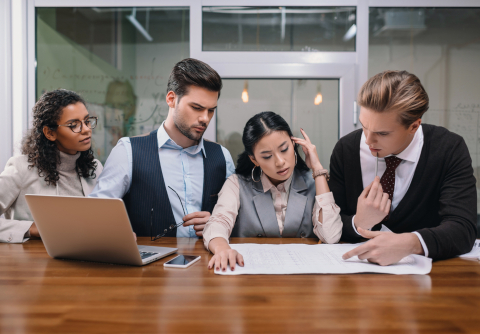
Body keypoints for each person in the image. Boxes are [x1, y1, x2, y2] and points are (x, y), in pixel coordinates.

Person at [330, 70, 477, 265]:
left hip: (432, 280)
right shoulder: (346, 149)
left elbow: (463, 228)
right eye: (364, 126)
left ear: (414, 126)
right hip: (356, 275)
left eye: (382, 133)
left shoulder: (449, 149)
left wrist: (409, 243)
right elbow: (331, 223)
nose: (368, 140)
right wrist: (359, 223)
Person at [90, 58, 234, 238]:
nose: (205, 118)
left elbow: (238, 217)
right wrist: (117, 233)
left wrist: (218, 223)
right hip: (149, 265)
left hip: (209, 264)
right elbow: (95, 215)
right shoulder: (128, 151)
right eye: (197, 108)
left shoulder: (222, 157)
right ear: (171, 99)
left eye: (211, 110)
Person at [0, 89, 103, 243]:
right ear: (50, 133)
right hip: (37, 263)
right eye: (74, 125)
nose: (86, 130)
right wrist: (30, 228)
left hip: (87, 258)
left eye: (87, 121)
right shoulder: (22, 168)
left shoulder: (95, 168)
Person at [204, 112, 343, 271]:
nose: (280, 162)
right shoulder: (237, 184)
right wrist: (223, 249)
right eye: (267, 156)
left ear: (294, 144)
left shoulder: (314, 182)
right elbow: (217, 223)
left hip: (303, 279)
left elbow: (331, 236)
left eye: (284, 149)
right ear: (254, 159)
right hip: (252, 275)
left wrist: (317, 168)